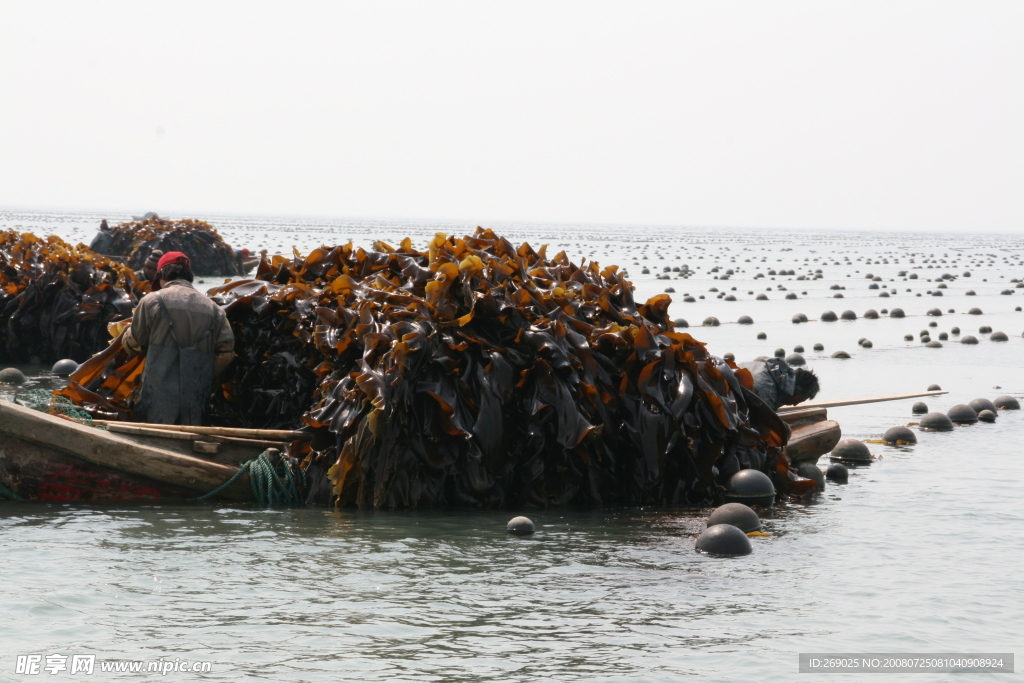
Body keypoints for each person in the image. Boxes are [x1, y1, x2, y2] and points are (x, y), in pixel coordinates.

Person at [123, 252, 234, 425]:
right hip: (196, 400)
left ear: (161, 274)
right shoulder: (215, 309)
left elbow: (135, 344)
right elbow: (226, 353)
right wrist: (201, 375)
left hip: (156, 399)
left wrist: (125, 334)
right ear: (189, 275)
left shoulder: (152, 301)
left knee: (152, 436)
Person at [738, 357, 819, 412]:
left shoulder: (770, 370)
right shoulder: (768, 394)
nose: (795, 404)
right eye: (798, 400)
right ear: (797, 390)